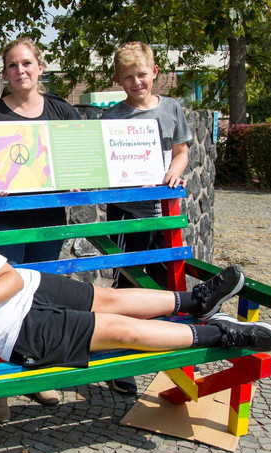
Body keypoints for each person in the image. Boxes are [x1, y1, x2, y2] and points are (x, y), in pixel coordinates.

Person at [0, 199, 271, 408]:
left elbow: (11, 278)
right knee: (121, 331)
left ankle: (196, 300)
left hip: (30, 288)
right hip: (17, 334)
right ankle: (220, 332)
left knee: (111, 298)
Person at [0, 38, 82, 418]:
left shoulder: (62, 111)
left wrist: (75, 178)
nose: (21, 71)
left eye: (27, 64)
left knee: (44, 296)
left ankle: (38, 374)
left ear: (40, 67)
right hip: (2, 218)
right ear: (4, 73)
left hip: (46, 220)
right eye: (13, 65)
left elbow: (79, 158)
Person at [100, 41, 194, 395]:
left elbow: (182, 151)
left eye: (142, 75)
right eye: (128, 78)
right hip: (129, 214)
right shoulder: (112, 117)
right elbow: (104, 165)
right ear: (118, 80)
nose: (137, 83)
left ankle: (163, 349)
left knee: (166, 285)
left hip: (165, 213)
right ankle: (121, 358)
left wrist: (174, 171)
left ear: (154, 73)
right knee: (127, 286)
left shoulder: (171, 109)